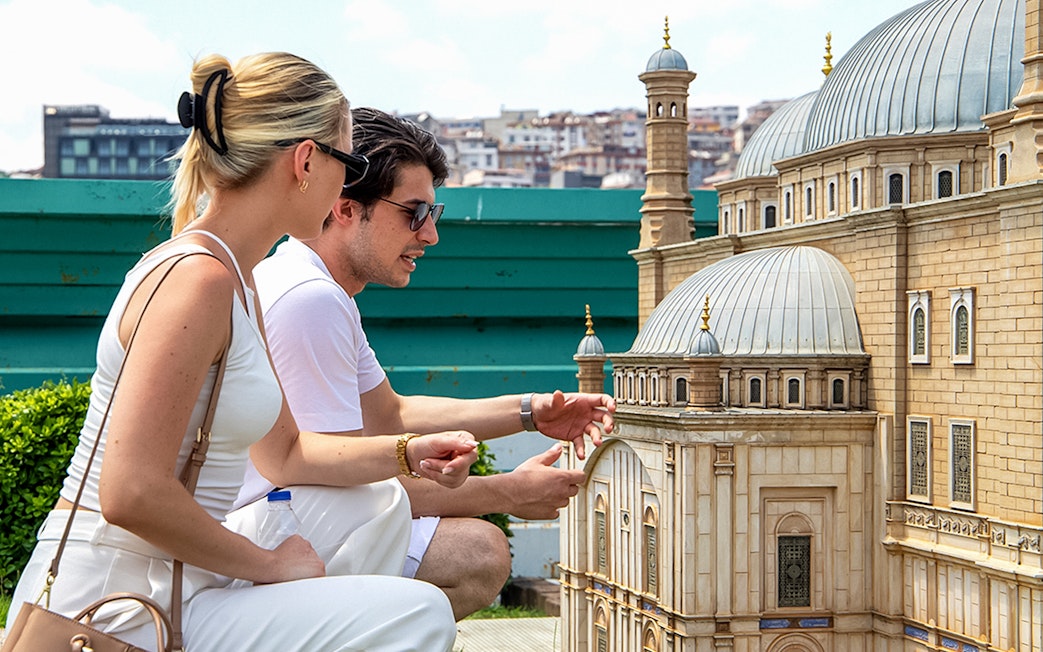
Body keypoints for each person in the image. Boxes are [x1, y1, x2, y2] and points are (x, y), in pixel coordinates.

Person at [7, 54, 475, 651]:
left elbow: (283, 454)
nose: (347, 184)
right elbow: (129, 494)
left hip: (177, 578)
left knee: (376, 506)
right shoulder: (198, 282)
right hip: (114, 606)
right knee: (420, 613)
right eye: (349, 162)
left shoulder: (239, 277)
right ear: (307, 161)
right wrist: (269, 564)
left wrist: (410, 453)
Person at [233, 107, 616, 620]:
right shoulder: (309, 299)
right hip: (254, 538)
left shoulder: (313, 287)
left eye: (433, 215)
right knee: (478, 553)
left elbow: (391, 415)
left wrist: (530, 412)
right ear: (346, 208)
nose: (430, 235)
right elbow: (351, 488)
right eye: (414, 213)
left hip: (270, 520)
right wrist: (507, 492)